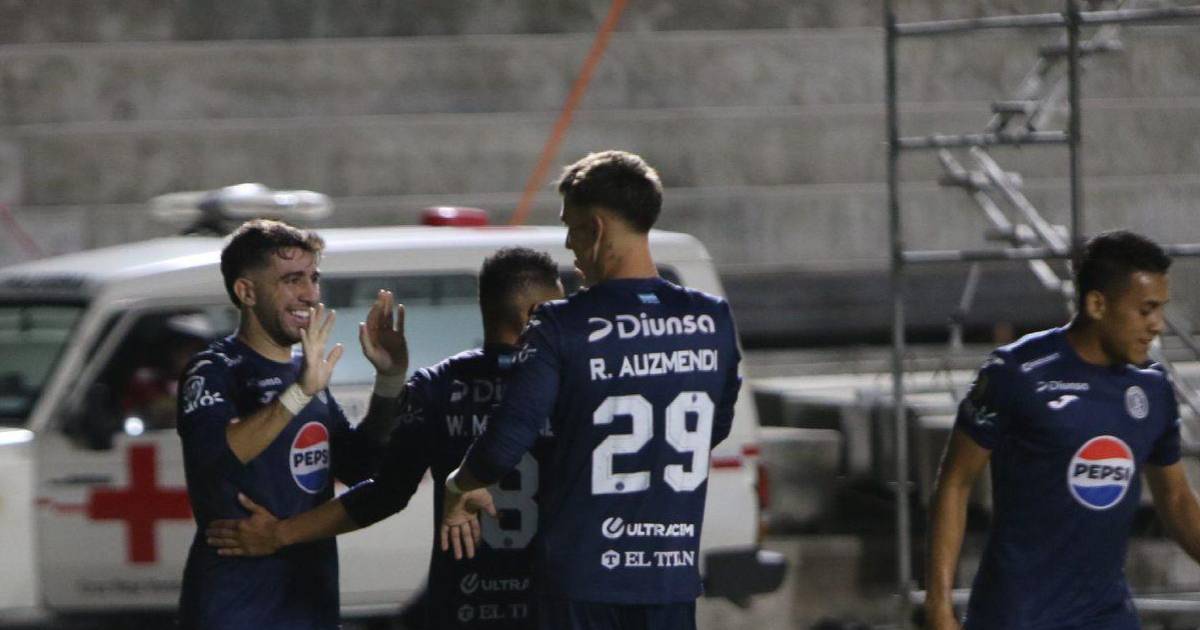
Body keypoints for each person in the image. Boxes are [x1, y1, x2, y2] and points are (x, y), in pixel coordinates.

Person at [439, 150, 743, 630]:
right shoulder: (712, 318)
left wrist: (459, 486)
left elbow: (503, 444)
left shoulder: (561, 324)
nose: (568, 243)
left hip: (582, 579)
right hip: (669, 577)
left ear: (596, 229)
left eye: (571, 227)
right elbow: (714, 427)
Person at [204, 246, 565, 629]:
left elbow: (384, 493)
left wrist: (280, 533)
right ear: (534, 314)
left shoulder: (439, 385)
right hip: (556, 602)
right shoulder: (572, 384)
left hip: (465, 602)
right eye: (558, 310)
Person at [926, 230, 1200, 630]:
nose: (1157, 325)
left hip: (1106, 616)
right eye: (1146, 310)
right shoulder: (1017, 372)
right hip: (1018, 616)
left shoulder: (1152, 388)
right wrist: (938, 606)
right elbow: (955, 482)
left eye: (1161, 309)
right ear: (1097, 304)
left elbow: (1175, 498)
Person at [177, 219, 408, 630]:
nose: (310, 294)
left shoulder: (306, 372)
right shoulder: (215, 369)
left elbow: (361, 468)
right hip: (235, 609)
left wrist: (389, 380)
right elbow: (215, 458)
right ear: (246, 292)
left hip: (310, 606)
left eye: (313, 278)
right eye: (292, 280)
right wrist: (299, 393)